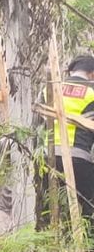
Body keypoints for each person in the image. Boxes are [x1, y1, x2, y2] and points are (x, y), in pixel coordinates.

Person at [54, 55, 94, 218]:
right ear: (92, 74)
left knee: (49, 207)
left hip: (47, 157)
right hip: (78, 158)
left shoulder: (50, 89)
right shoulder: (91, 93)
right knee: (88, 206)